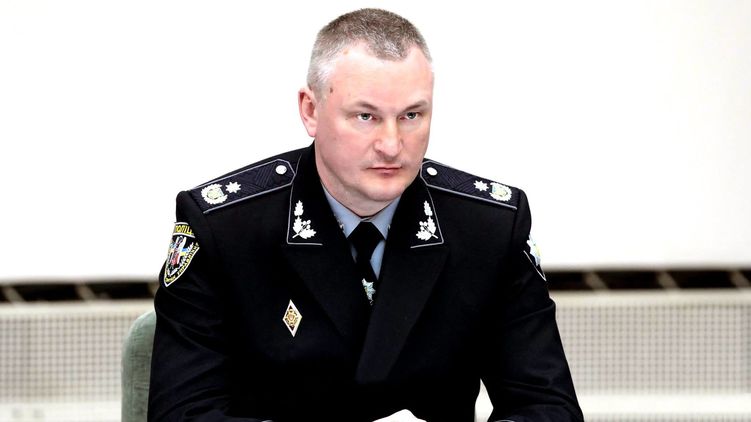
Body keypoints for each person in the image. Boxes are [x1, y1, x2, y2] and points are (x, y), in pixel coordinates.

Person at [148, 8, 583, 422]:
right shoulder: (225, 228)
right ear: (310, 110)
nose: (392, 145)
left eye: (411, 115)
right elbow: (181, 413)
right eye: (366, 116)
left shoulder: (489, 227)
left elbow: (548, 407)